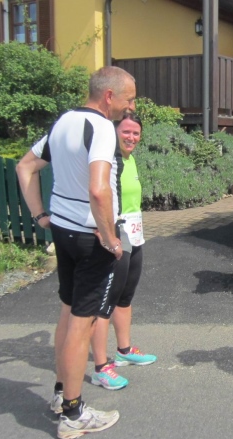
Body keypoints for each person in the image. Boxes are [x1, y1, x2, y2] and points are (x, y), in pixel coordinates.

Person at [16, 66, 136, 439]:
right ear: (109, 96)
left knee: (68, 314)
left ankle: (60, 394)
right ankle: (73, 413)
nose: (131, 107)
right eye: (129, 99)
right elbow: (99, 190)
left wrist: (40, 215)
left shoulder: (63, 122)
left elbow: (25, 167)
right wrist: (110, 238)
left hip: (64, 232)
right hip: (90, 238)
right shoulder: (100, 127)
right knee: (82, 323)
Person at [89, 112, 157, 390]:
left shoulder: (130, 159)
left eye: (136, 133)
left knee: (126, 295)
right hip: (116, 233)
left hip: (135, 231)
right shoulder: (109, 159)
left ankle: (124, 351)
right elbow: (95, 193)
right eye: (126, 132)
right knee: (106, 301)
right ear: (114, 132)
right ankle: (100, 367)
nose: (131, 137)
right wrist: (104, 232)